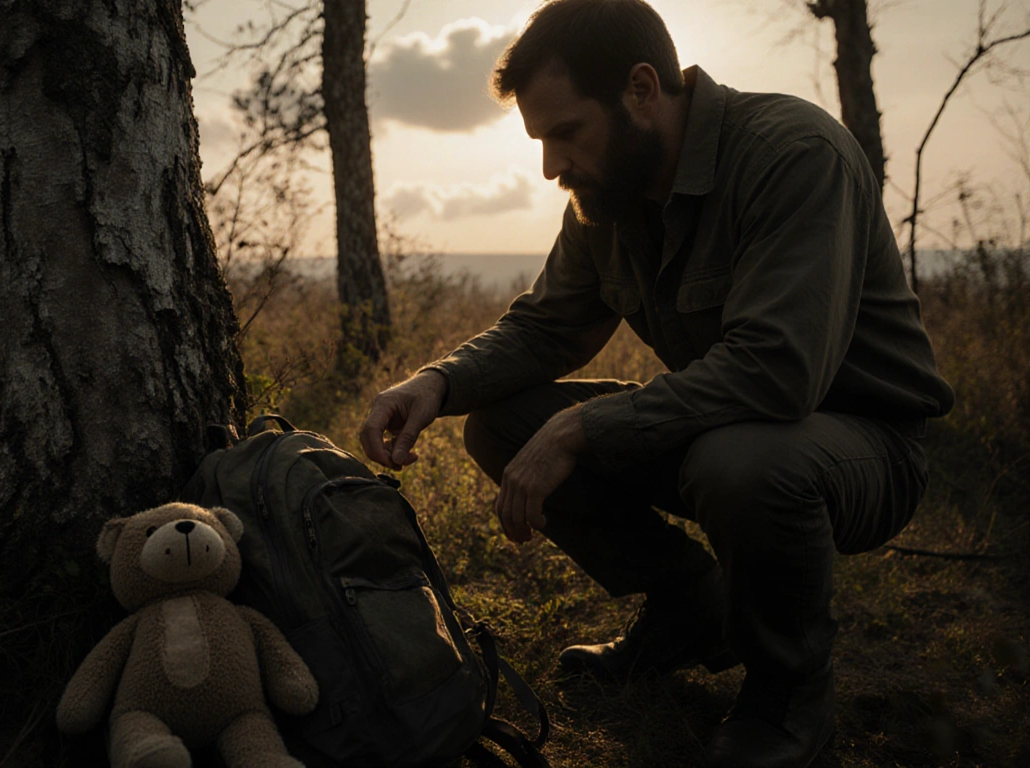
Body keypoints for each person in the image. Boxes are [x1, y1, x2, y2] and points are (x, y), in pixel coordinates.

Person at [358, 1, 955, 766]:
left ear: (642, 89)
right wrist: (437, 382)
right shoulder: (608, 193)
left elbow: (777, 373)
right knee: (502, 423)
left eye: (566, 132)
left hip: (864, 447)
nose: (551, 166)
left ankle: (789, 704)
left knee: (743, 462)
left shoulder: (793, 154)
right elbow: (549, 326)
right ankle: (689, 607)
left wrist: (580, 427)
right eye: (540, 140)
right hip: (725, 432)